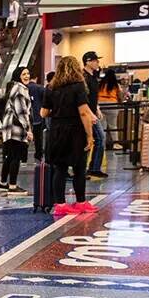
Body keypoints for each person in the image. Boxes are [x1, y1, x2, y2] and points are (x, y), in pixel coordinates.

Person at [41, 55, 96, 215]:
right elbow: (84, 112)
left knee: (60, 168)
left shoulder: (50, 87)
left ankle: (60, 204)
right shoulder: (78, 86)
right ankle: (80, 202)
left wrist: (58, 110)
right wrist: (90, 136)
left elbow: (43, 112)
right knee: (79, 168)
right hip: (76, 131)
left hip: (57, 131)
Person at [0, 66, 32, 195]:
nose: (27, 76)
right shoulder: (19, 89)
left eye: (28, 73)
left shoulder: (15, 87)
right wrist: (28, 129)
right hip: (15, 128)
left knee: (10, 156)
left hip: (9, 128)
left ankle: (3, 183)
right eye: (24, 74)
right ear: (18, 75)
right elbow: (21, 112)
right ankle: (12, 186)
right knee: (16, 156)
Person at [82, 51, 108, 179]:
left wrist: (97, 108)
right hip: (86, 114)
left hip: (91, 112)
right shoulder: (83, 77)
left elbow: (93, 96)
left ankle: (93, 167)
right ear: (88, 61)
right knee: (94, 139)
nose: (97, 63)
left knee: (97, 139)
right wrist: (90, 113)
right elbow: (84, 98)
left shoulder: (93, 76)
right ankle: (88, 168)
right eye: (95, 60)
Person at [28, 71, 47, 160]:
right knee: (38, 137)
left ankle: (23, 156)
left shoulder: (24, 87)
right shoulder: (40, 88)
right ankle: (38, 153)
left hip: (27, 116)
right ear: (36, 78)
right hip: (38, 116)